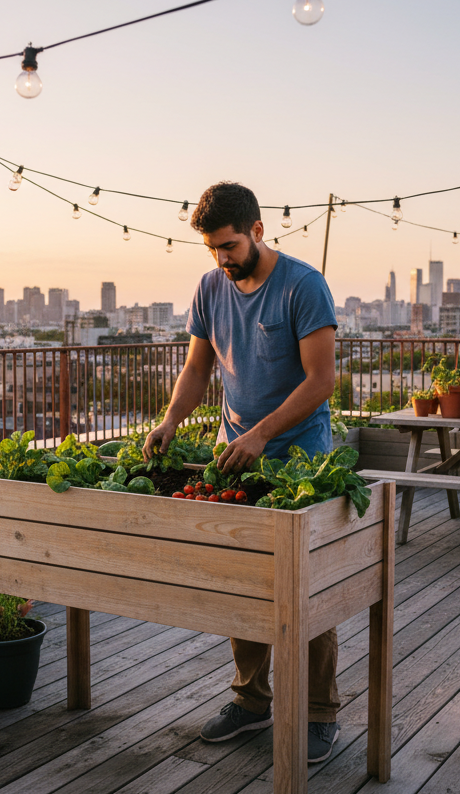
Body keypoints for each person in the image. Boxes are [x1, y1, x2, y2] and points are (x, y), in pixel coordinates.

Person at [142, 181, 340, 763]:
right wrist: (172, 419)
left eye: (229, 246)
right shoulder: (210, 287)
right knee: (243, 579)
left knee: (308, 589)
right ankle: (252, 702)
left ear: (257, 230)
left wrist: (261, 434)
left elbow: (322, 381)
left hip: (300, 459)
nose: (222, 260)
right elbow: (197, 368)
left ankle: (318, 714)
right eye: (212, 250)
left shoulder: (303, 286)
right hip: (237, 453)